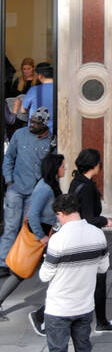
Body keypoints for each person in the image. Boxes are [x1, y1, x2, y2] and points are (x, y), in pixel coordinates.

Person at [37, 192, 109, 352]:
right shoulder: (97, 234)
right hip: (84, 306)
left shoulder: (58, 240)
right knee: (84, 351)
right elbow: (103, 268)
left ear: (60, 214)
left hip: (59, 308)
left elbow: (44, 276)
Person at [0, 151, 64, 323]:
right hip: (39, 236)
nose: (64, 168)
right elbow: (33, 214)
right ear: (55, 168)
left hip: (46, 233)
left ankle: (51, 309)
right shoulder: (44, 187)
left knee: (44, 271)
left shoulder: (50, 184)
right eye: (62, 165)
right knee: (20, 271)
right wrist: (41, 237)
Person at [67, 149, 112, 334]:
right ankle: (101, 321)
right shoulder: (88, 187)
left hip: (77, 239)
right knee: (99, 280)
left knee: (79, 282)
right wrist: (104, 221)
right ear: (94, 165)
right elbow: (88, 218)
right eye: (99, 163)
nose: (101, 166)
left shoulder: (76, 182)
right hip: (89, 239)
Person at [0, 108, 53, 276]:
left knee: (27, 229)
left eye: (36, 123)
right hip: (15, 188)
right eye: (31, 121)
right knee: (10, 227)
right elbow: (9, 158)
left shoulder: (50, 141)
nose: (32, 125)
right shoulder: (19, 134)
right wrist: (9, 180)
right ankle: (3, 262)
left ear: (44, 125)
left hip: (34, 193)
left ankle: (21, 261)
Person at [15, 62, 55, 141]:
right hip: (56, 131)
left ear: (40, 76)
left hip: (37, 133)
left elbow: (23, 110)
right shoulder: (62, 89)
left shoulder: (34, 90)